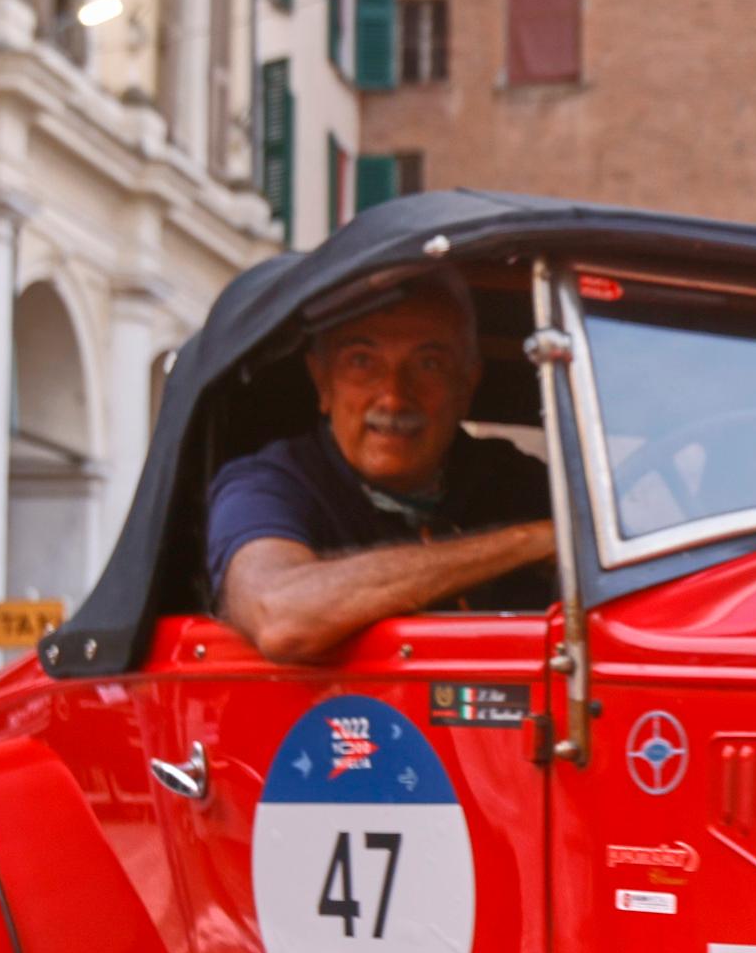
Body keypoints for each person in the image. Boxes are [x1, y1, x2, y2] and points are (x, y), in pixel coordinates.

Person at [203, 273, 556, 665]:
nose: (393, 396)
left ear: (467, 385)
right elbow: (281, 616)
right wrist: (527, 542)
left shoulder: (515, 481)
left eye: (428, 364)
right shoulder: (267, 484)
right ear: (322, 382)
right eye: (362, 361)